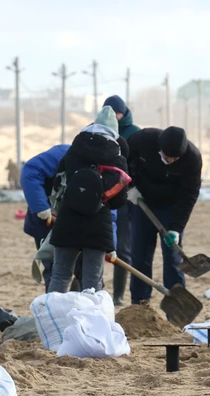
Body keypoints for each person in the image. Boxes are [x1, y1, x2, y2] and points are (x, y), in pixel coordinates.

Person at [48, 114, 130, 293]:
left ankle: (51, 317)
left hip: (68, 220)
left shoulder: (74, 150)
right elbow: (118, 200)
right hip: (98, 225)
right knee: (92, 280)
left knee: (60, 275)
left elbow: (57, 182)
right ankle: (91, 319)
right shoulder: (117, 157)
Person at [127, 126, 202, 307]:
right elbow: (122, 160)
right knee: (140, 253)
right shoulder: (143, 139)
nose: (169, 161)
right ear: (159, 148)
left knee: (173, 256)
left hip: (171, 207)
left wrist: (176, 227)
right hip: (141, 200)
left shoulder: (193, 158)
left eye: (174, 159)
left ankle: (177, 304)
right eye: (167, 156)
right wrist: (129, 186)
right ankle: (140, 302)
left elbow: (189, 195)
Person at [103, 95, 140, 306]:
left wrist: (133, 186)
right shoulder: (97, 130)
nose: (113, 116)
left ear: (122, 113)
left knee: (123, 247)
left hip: (125, 197)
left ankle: (118, 295)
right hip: (101, 195)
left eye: (115, 112)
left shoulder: (133, 133)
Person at [21, 143, 70, 290]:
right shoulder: (62, 153)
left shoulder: (105, 164)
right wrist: (41, 207)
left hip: (75, 223)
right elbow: (30, 171)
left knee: (83, 269)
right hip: (47, 220)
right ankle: (54, 307)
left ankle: (80, 306)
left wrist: (109, 241)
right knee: (53, 268)